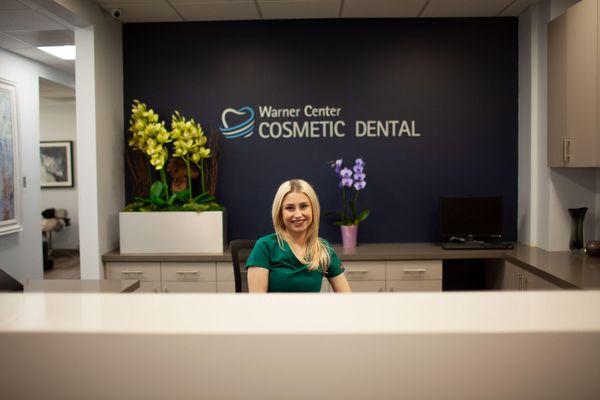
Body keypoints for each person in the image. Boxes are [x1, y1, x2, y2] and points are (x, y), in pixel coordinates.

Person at [246, 179, 352, 293]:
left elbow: (346, 298)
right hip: (274, 311)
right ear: (280, 213)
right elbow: (257, 305)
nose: (297, 214)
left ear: (313, 209)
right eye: (290, 208)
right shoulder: (265, 247)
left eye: (303, 206)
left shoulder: (323, 248)